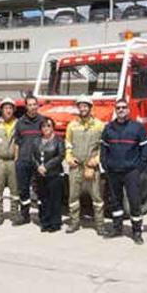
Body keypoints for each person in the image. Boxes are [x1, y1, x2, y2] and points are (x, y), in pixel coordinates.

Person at [101, 98, 147, 245]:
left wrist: (139, 167)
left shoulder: (137, 128)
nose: (121, 110)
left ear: (128, 110)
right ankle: (117, 228)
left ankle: (137, 231)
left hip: (131, 172)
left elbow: (145, 149)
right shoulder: (108, 128)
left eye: (123, 107)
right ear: (115, 110)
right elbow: (104, 148)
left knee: (134, 201)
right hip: (113, 171)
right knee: (115, 201)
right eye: (118, 108)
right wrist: (105, 164)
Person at [64, 95, 105, 235]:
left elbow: (103, 146)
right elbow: (68, 144)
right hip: (76, 166)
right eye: (80, 106)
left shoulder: (99, 125)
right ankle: (74, 223)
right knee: (73, 197)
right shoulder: (72, 125)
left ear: (90, 108)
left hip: (91, 166)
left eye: (85, 105)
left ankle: (100, 225)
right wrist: (69, 158)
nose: (83, 108)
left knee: (97, 198)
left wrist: (97, 160)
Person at [13, 94, 44, 226]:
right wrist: (16, 160)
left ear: (37, 106)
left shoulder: (43, 121)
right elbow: (17, 143)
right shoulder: (20, 123)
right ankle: (24, 215)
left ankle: (43, 216)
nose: (32, 107)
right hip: (23, 161)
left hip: (39, 162)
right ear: (26, 107)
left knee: (41, 189)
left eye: (34, 104)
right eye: (29, 105)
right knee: (23, 189)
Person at [0, 98, 18, 225]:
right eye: (6, 108)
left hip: (13, 161)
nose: (8, 110)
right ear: (1, 110)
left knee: (15, 190)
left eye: (10, 108)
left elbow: (19, 142)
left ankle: (14, 214)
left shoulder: (18, 123)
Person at [33, 117, 65, 232]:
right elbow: (33, 156)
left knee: (54, 200)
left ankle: (55, 223)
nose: (46, 128)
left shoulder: (58, 140)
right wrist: (38, 167)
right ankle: (45, 222)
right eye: (43, 126)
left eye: (48, 126)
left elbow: (60, 156)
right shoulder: (36, 140)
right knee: (43, 199)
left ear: (53, 127)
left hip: (54, 174)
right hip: (40, 175)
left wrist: (46, 167)